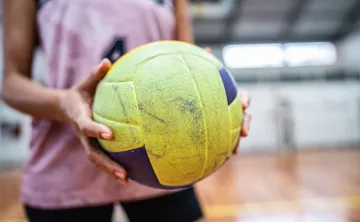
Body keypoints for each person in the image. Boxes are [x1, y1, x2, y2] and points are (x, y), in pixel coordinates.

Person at [1, 0, 251, 221]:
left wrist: (218, 99)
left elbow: (188, 59)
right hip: (63, 168)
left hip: (165, 163)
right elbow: (11, 83)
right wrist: (65, 103)